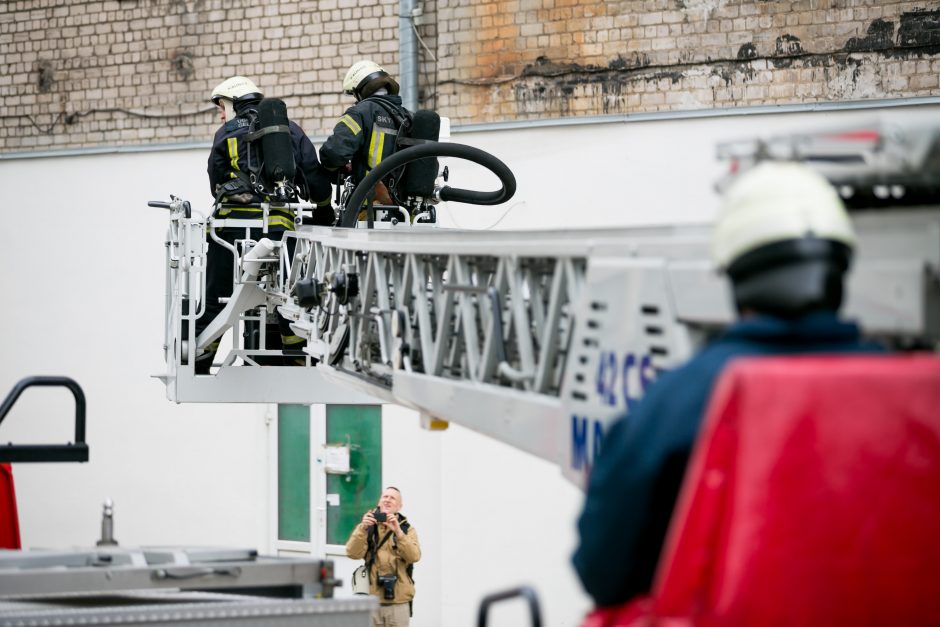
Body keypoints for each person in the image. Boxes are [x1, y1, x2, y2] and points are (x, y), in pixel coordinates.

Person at [571, 161, 882, 607]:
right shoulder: (913, 397)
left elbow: (602, 572)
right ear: (840, 270)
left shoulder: (675, 405)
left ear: (737, 276)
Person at [195, 76, 334, 373]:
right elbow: (314, 175)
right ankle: (298, 354)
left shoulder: (226, 133)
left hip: (230, 233)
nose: (222, 113)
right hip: (280, 232)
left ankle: (200, 355)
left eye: (222, 106)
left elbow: (214, 179)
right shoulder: (290, 131)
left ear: (234, 103)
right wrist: (324, 213)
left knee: (218, 294)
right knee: (289, 294)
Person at [318, 60, 413, 219]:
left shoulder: (361, 112)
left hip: (370, 211)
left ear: (360, 90)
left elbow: (333, 153)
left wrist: (332, 170)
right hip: (405, 213)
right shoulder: (407, 117)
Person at [347, 486, 421, 626]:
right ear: (379, 502)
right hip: (372, 601)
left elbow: (414, 557)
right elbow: (352, 553)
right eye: (385, 497)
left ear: (399, 506)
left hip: (399, 602)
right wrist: (362, 528)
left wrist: (398, 533)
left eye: (392, 498)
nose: (387, 500)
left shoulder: (406, 529)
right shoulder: (367, 527)